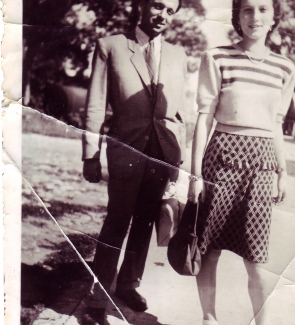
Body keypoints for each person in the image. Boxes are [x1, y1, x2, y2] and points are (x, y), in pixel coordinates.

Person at [187, 0, 295, 324]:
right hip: (220, 159)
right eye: (247, 9)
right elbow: (204, 118)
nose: (255, 17)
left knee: (256, 258)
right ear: (237, 16)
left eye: (263, 9)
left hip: (261, 166)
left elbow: (276, 124)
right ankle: (209, 318)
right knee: (209, 250)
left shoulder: (285, 68)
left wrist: (283, 171)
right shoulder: (217, 57)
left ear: (274, 16)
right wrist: (195, 177)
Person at [82, 0, 186, 320]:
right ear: (141, 5)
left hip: (162, 153)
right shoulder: (110, 47)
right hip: (125, 150)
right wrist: (91, 153)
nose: (163, 16)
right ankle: (97, 297)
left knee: (144, 223)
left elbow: (180, 114)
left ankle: (127, 284)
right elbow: (95, 105)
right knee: (117, 221)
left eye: (170, 11)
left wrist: (177, 161)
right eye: (157, 7)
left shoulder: (178, 56)